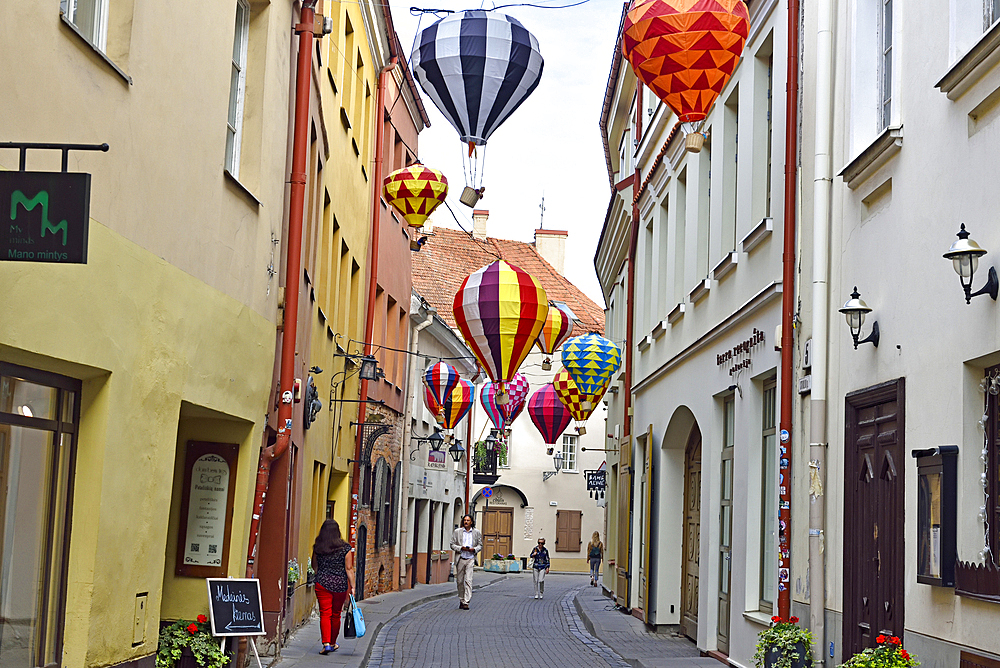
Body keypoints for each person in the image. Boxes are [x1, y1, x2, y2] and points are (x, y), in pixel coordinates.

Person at [312, 519, 355, 654]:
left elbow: (314, 565)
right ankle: (332, 642)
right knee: (336, 614)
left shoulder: (318, 547)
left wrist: (322, 574)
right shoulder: (345, 548)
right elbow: (349, 568)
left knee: (325, 613)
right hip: (340, 585)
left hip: (322, 584)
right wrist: (352, 586)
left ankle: (326, 644)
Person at [449, 514, 483, 610]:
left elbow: (480, 545)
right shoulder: (457, 532)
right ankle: (461, 599)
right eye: (464, 520)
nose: (466, 522)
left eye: (468, 520)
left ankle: (466, 602)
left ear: (471, 522)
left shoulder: (476, 532)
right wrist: (461, 548)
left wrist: (474, 549)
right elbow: (452, 544)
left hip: (470, 559)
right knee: (460, 581)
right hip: (461, 558)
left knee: (468, 580)